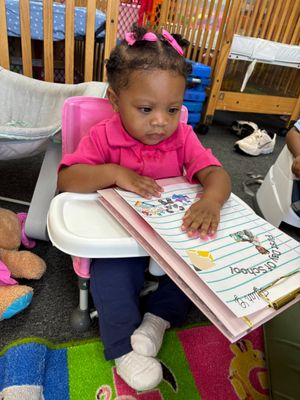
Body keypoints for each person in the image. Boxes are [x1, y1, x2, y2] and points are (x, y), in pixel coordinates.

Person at [57, 25, 231, 392]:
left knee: (197, 269)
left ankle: (156, 320)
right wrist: (113, 173)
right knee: (111, 275)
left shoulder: (181, 135)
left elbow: (216, 173)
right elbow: (68, 180)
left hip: (167, 238)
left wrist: (211, 201)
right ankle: (122, 348)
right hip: (118, 237)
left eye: (172, 109)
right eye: (146, 109)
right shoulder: (103, 135)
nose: (160, 122)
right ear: (116, 99)